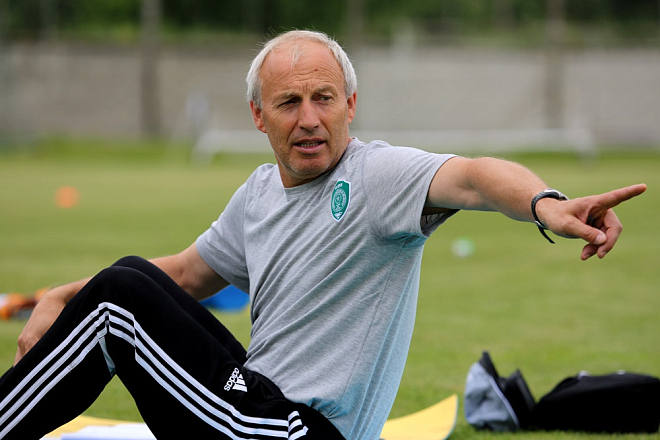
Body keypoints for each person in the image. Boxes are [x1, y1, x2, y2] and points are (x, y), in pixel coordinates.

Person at [0, 30, 646, 440]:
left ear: (350, 105)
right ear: (259, 116)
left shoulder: (377, 178)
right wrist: (59, 295)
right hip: (255, 408)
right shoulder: (259, 193)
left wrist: (545, 203)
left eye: (325, 98)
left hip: (298, 432)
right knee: (131, 279)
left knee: (119, 299)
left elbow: (474, 177)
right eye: (289, 103)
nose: (309, 119)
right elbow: (184, 275)